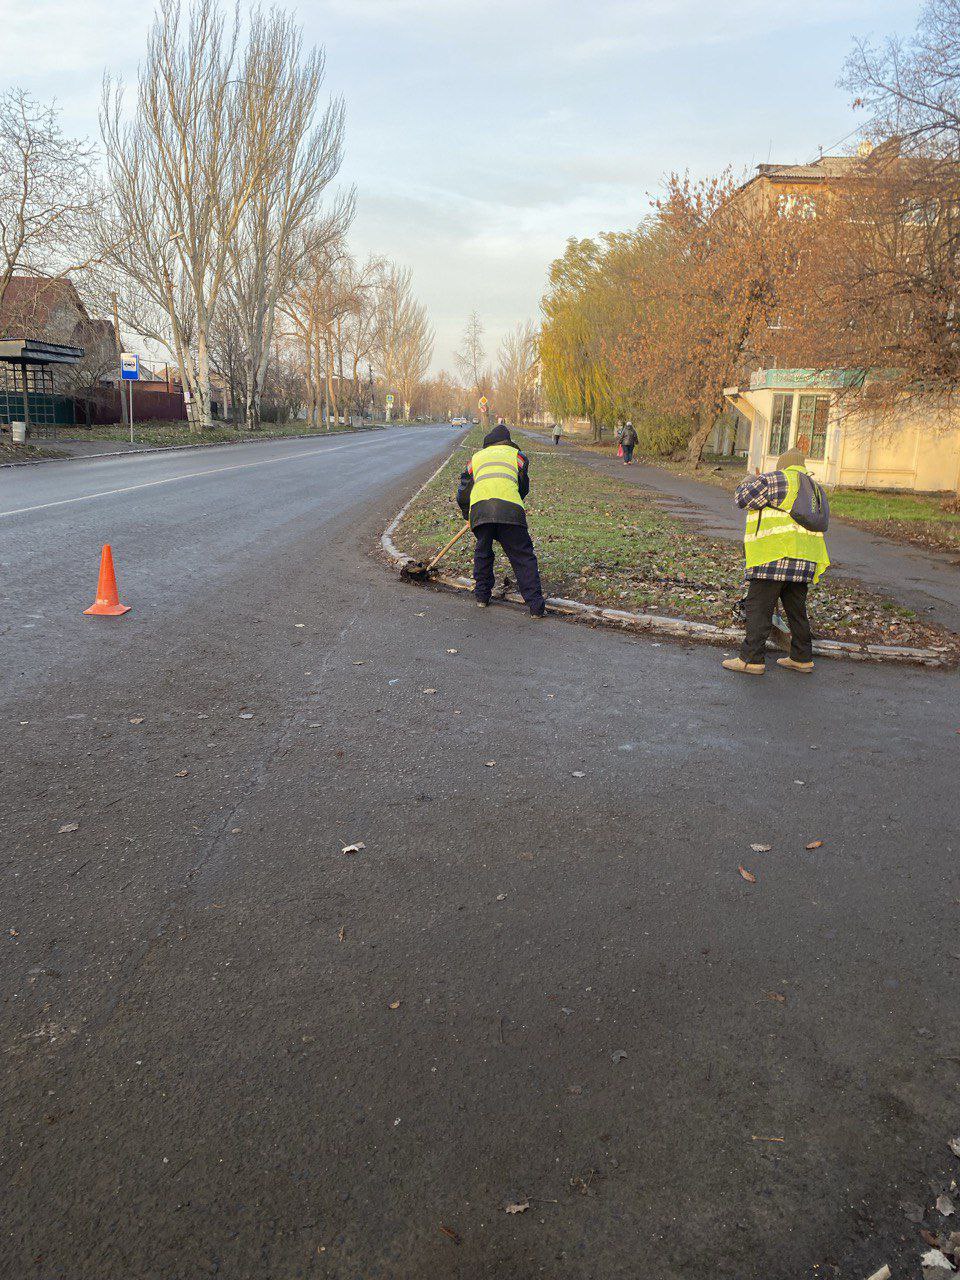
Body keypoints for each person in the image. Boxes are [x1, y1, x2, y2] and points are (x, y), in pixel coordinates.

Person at [722, 446, 830, 676]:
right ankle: (802, 658)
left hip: (774, 555)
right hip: (805, 559)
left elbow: (742, 499)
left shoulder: (777, 479)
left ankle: (751, 660)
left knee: (758, 607)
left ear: (783, 463)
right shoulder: (815, 488)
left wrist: (748, 480)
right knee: (796, 609)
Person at [456, 421, 546, 617]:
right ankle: (536, 607)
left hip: (480, 510)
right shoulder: (519, 457)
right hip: (511, 511)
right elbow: (523, 486)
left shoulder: (476, 458)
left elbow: (463, 491)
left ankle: (481, 597)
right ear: (508, 443)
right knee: (523, 556)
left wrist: (467, 515)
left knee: (483, 552)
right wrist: (512, 503)